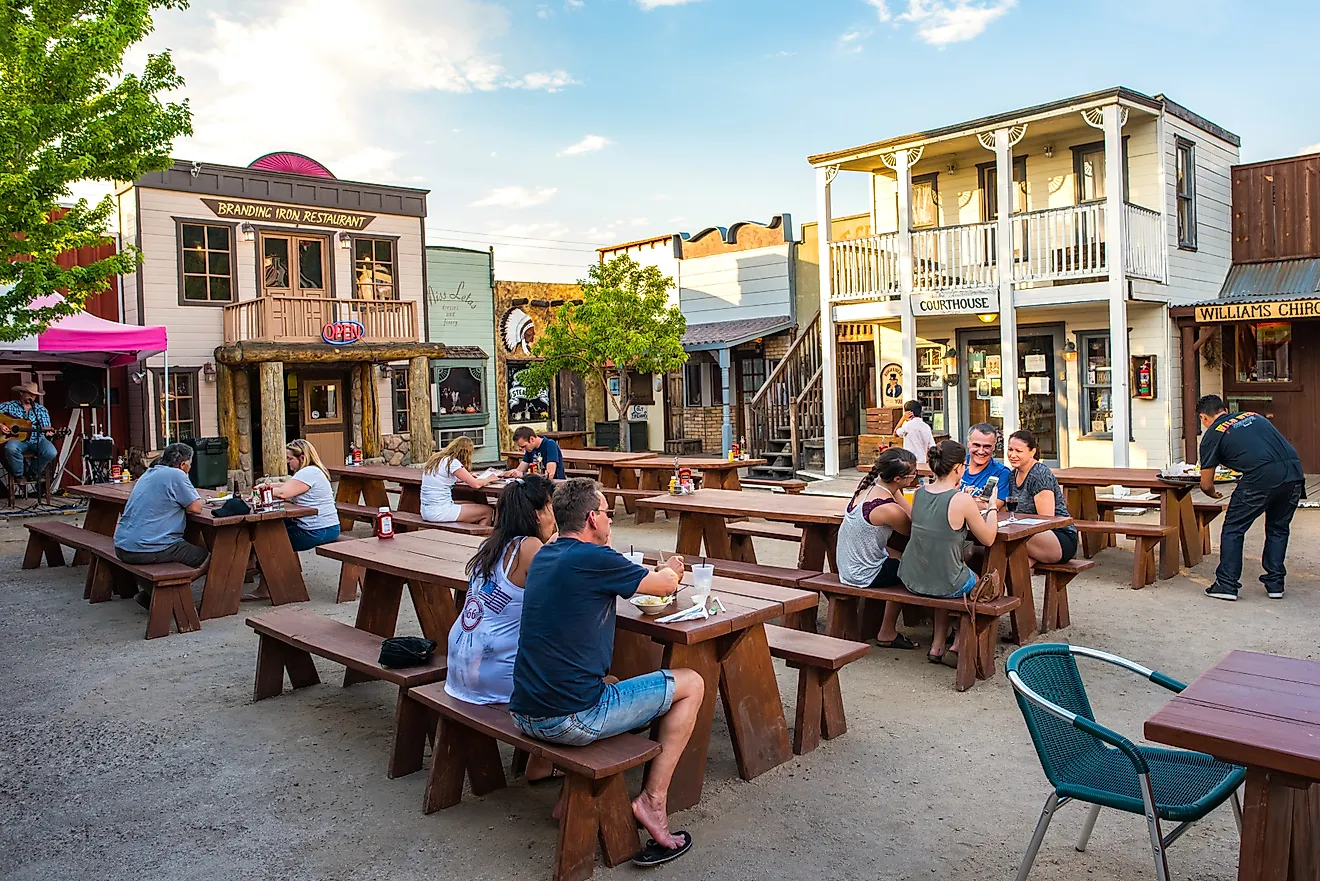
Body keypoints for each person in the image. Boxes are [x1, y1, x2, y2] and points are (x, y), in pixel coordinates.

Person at [510, 478, 704, 864]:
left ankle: (570, 801)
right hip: (571, 719)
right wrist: (673, 568)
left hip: (523, 712)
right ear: (592, 518)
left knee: (611, 682)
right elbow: (664, 586)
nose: (611, 522)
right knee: (692, 683)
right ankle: (653, 801)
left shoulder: (545, 554)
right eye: (608, 514)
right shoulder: (595, 558)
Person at [447, 474, 558, 781]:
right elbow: (565, 598)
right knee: (591, 680)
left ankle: (541, 760)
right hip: (492, 680)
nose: (554, 515)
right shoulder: (531, 548)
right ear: (537, 513)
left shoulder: (490, 547)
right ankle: (547, 760)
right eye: (551, 506)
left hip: (460, 669)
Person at [1196, 395, 1305, 601]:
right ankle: (1275, 584)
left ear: (1203, 418)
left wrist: (1211, 493)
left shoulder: (1212, 434)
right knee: (1278, 528)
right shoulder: (1254, 416)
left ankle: (1226, 585)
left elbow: (1206, 483)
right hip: (1294, 471)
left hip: (1260, 476)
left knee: (1233, 528)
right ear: (1225, 409)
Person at [898, 440, 999, 664]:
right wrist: (992, 505)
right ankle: (958, 642)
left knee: (946, 572)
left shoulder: (920, 493)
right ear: (958, 468)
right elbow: (989, 538)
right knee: (975, 580)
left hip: (913, 578)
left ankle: (937, 645)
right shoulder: (961, 500)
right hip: (946, 581)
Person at [837, 448, 919, 648]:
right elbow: (915, 528)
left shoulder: (869, 488)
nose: (916, 477)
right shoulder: (887, 508)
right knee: (916, 568)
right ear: (898, 478)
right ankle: (887, 631)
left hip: (848, 567)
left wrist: (898, 491)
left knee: (905, 558)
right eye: (913, 474)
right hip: (864, 574)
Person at [113, 443, 210, 608]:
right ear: (183, 465)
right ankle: (169, 595)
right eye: (189, 466)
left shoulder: (149, 473)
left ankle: (152, 594)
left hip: (123, 545)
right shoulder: (176, 475)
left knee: (190, 546)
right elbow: (196, 507)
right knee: (215, 557)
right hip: (145, 548)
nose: (189, 470)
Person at [244, 439, 341, 601]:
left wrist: (265, 489)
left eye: (290, 459)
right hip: (326, 526)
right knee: (266, 530)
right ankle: (256, 567)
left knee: (266, 541)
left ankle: (265, 585)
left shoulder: (309, 472)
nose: (288, 462)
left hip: (318, 530)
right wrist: (264, 487)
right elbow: (285, 485)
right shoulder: (312, 472)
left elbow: (283, 493)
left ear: (302, 458)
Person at [1004, 430, 1077, 565]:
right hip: (1028, 534)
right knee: (1013, 563)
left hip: (1057, 536)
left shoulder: (1040, 474)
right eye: (1010, 449)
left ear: (1032, 452)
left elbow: (1045, 520)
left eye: (1018, 451)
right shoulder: (1012, 475)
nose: (1012, 455)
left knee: (1009, 539)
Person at [421, 435, 498, 526]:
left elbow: (445, 478)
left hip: (426, 510)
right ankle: (480, 539)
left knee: (472, 504)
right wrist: (490, 478)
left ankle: (468, 533)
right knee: (487, 511)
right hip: (440, 512)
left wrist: (467, 476)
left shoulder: (436, 459)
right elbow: (476, 485)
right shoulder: (452, 462)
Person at [0, 382, 57, 482]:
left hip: (37, 439)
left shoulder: (40, 409)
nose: (32, 397)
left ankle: (33, 472)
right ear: (21, 393)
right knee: (10, 448)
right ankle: (19, 475)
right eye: (29, 394)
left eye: (34, 395)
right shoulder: (10, 405)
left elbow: (46, 426)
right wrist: (1, 425)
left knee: (51, 452)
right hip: (18, 440)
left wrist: (48, 432)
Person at [959, 422, 1012, 510]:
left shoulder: (1001, 473)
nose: (981, 451)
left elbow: (993, 507)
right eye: (976, 445)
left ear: (994, 446)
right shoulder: (956, 464)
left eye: (987, 447)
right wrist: (977, 502)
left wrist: (958, 500)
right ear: (968, 443)